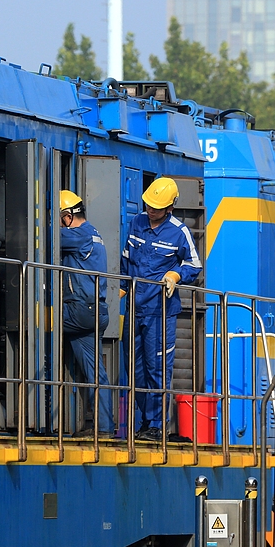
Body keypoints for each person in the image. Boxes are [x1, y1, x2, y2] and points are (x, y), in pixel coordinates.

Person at [120, 177, 202, 441]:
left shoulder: (179, 232)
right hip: (134, 308)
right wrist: (119, 291)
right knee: (135, 368)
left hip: (160, 310)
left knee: (157, 368)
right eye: (148, 205)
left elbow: (194, 265)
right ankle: (144, 421)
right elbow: (126, 262)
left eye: (157, 207)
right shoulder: (136, 223)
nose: (151, 210)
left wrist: (176, 276)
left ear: (170, 207)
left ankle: (156, 424)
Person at [59, 190, 114, 436]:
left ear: (67, 216)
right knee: (95, 372)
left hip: (79, 311)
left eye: (59, 219)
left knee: (34, 323)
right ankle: (103, 427)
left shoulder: (77, 235)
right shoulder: (94, 233)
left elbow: (43, 237)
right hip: (96, 311)